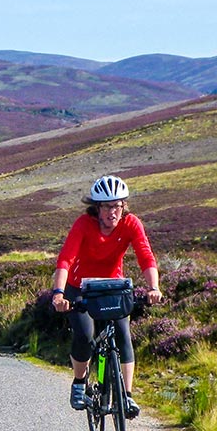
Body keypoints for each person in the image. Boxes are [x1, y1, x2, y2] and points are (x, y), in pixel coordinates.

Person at [50, 175, 163, 417]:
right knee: (85, 336)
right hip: (79, 288)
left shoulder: (131, 223)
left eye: (117, 206)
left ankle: (127, 396)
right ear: (97, 208)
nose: (113, 212)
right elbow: (66, 259)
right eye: (107, 207)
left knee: (123, 336)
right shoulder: (83, 224)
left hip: (112, 287)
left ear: (124, 206)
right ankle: (79, 382)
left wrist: (153, 287)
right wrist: (59, 293)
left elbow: (145, 255)